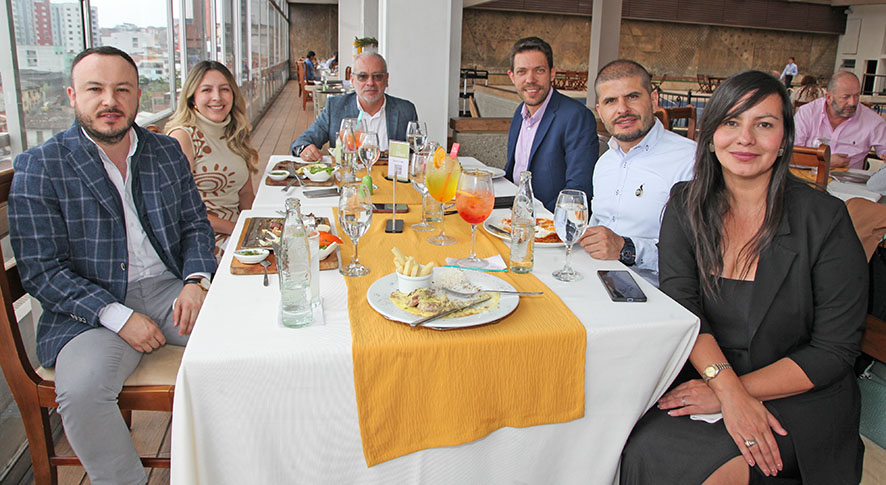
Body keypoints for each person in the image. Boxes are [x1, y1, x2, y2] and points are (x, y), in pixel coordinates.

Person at [620, 70, 867, 484]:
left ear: (785, 138)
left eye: (764, 124)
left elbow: (834, 350)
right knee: (634, 444)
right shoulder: (685, 204)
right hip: (709, 373)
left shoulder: (823, 219)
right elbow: (685, 308)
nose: (745, 138)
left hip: (802, 396)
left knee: (711, 471)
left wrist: (735, 393)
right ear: (711, 133)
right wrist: (726, 389)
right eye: (731, 122)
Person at [8, 46, 217, 483]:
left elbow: (196, 225)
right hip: (88, 311)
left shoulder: (164, 151)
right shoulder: (40, 165)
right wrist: (119, 318)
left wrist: (196, 280)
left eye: (122, 89)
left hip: (170, 289)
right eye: (95, 89)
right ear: (72, 95)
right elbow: (42, 270)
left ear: (139, 94)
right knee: (83, 391)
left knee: (247, 347)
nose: (110, 101)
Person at [577, 60, 695, 286]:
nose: (622, 109)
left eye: (632, 96)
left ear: (653, 100)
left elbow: (698, 254)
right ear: (600, 111)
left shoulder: (689, 161)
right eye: (611, 101)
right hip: (596, 283)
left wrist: (626, 248)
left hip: (660, 298)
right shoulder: (605, 163)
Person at [166, 60, 258, 258]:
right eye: (206, 90)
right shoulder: (183, 137)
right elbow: (181, 210)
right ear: (192, 98)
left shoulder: (235, 132)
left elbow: (246, 193)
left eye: (224, 89)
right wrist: (240, 229)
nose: (217, 97)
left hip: (237, 231)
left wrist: (254, 227)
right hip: (204, 238)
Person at [503, 36, 598, 212]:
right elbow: (513, 172)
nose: (530, 79)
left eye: (539, 70)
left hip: (548, 224)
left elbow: (578, 189)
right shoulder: (520, 113)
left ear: (552, 73)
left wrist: (535, 219)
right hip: (513, 214)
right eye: (522, 72)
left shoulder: (576, 116)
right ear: (512, 76)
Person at [290, 52, 419, 161]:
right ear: (352, 80)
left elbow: (418, 154)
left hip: (392, 186)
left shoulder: (406, 111)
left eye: (377, 77)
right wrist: (305, 149)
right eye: (363, 77)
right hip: (349, 185)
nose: (370, 83)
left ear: (386, 80)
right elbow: (302, 142)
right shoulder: (335, 108)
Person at [794, 71, 886, 169]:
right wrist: (824, 161)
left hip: (848, 182)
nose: (853, 102)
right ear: (829, 98)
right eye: (846, 97)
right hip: (806, 179)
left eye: (856, 95)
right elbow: (788, 156)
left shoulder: (873, 121)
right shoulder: (807, 113)